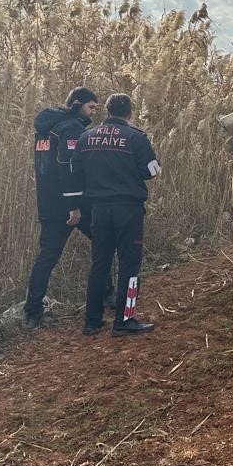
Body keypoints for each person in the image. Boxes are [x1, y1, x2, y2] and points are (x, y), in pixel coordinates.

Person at [69, 94, 160, 337]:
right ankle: (125, 319)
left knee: (99, 264)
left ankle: (91, 321)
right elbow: (152, 171)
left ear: (107, 111)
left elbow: (75, 171)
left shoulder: (86, 137)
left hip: (98, 210)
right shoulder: (136, 138)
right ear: (129, 113)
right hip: (128, 210)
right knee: (129, 266)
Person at [24, 86, 113, 328]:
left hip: (48, 202)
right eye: (90, 107)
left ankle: (33, 312)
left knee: (47, 257)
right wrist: (74, 205)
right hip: (72, 204)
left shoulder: (45, 130)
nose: (93, 113)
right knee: (103, 240)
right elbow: (68, 167)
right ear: (76, 103)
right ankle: (108, 296)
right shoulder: (71, 128)